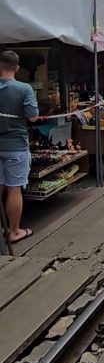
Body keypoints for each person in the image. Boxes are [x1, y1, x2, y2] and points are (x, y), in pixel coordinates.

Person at [0, 50, 39, 243]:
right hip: (15, 145)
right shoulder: (24, 89)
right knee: (14, 189)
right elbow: (32, 116)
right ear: (16, 68)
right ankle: (14, 231)